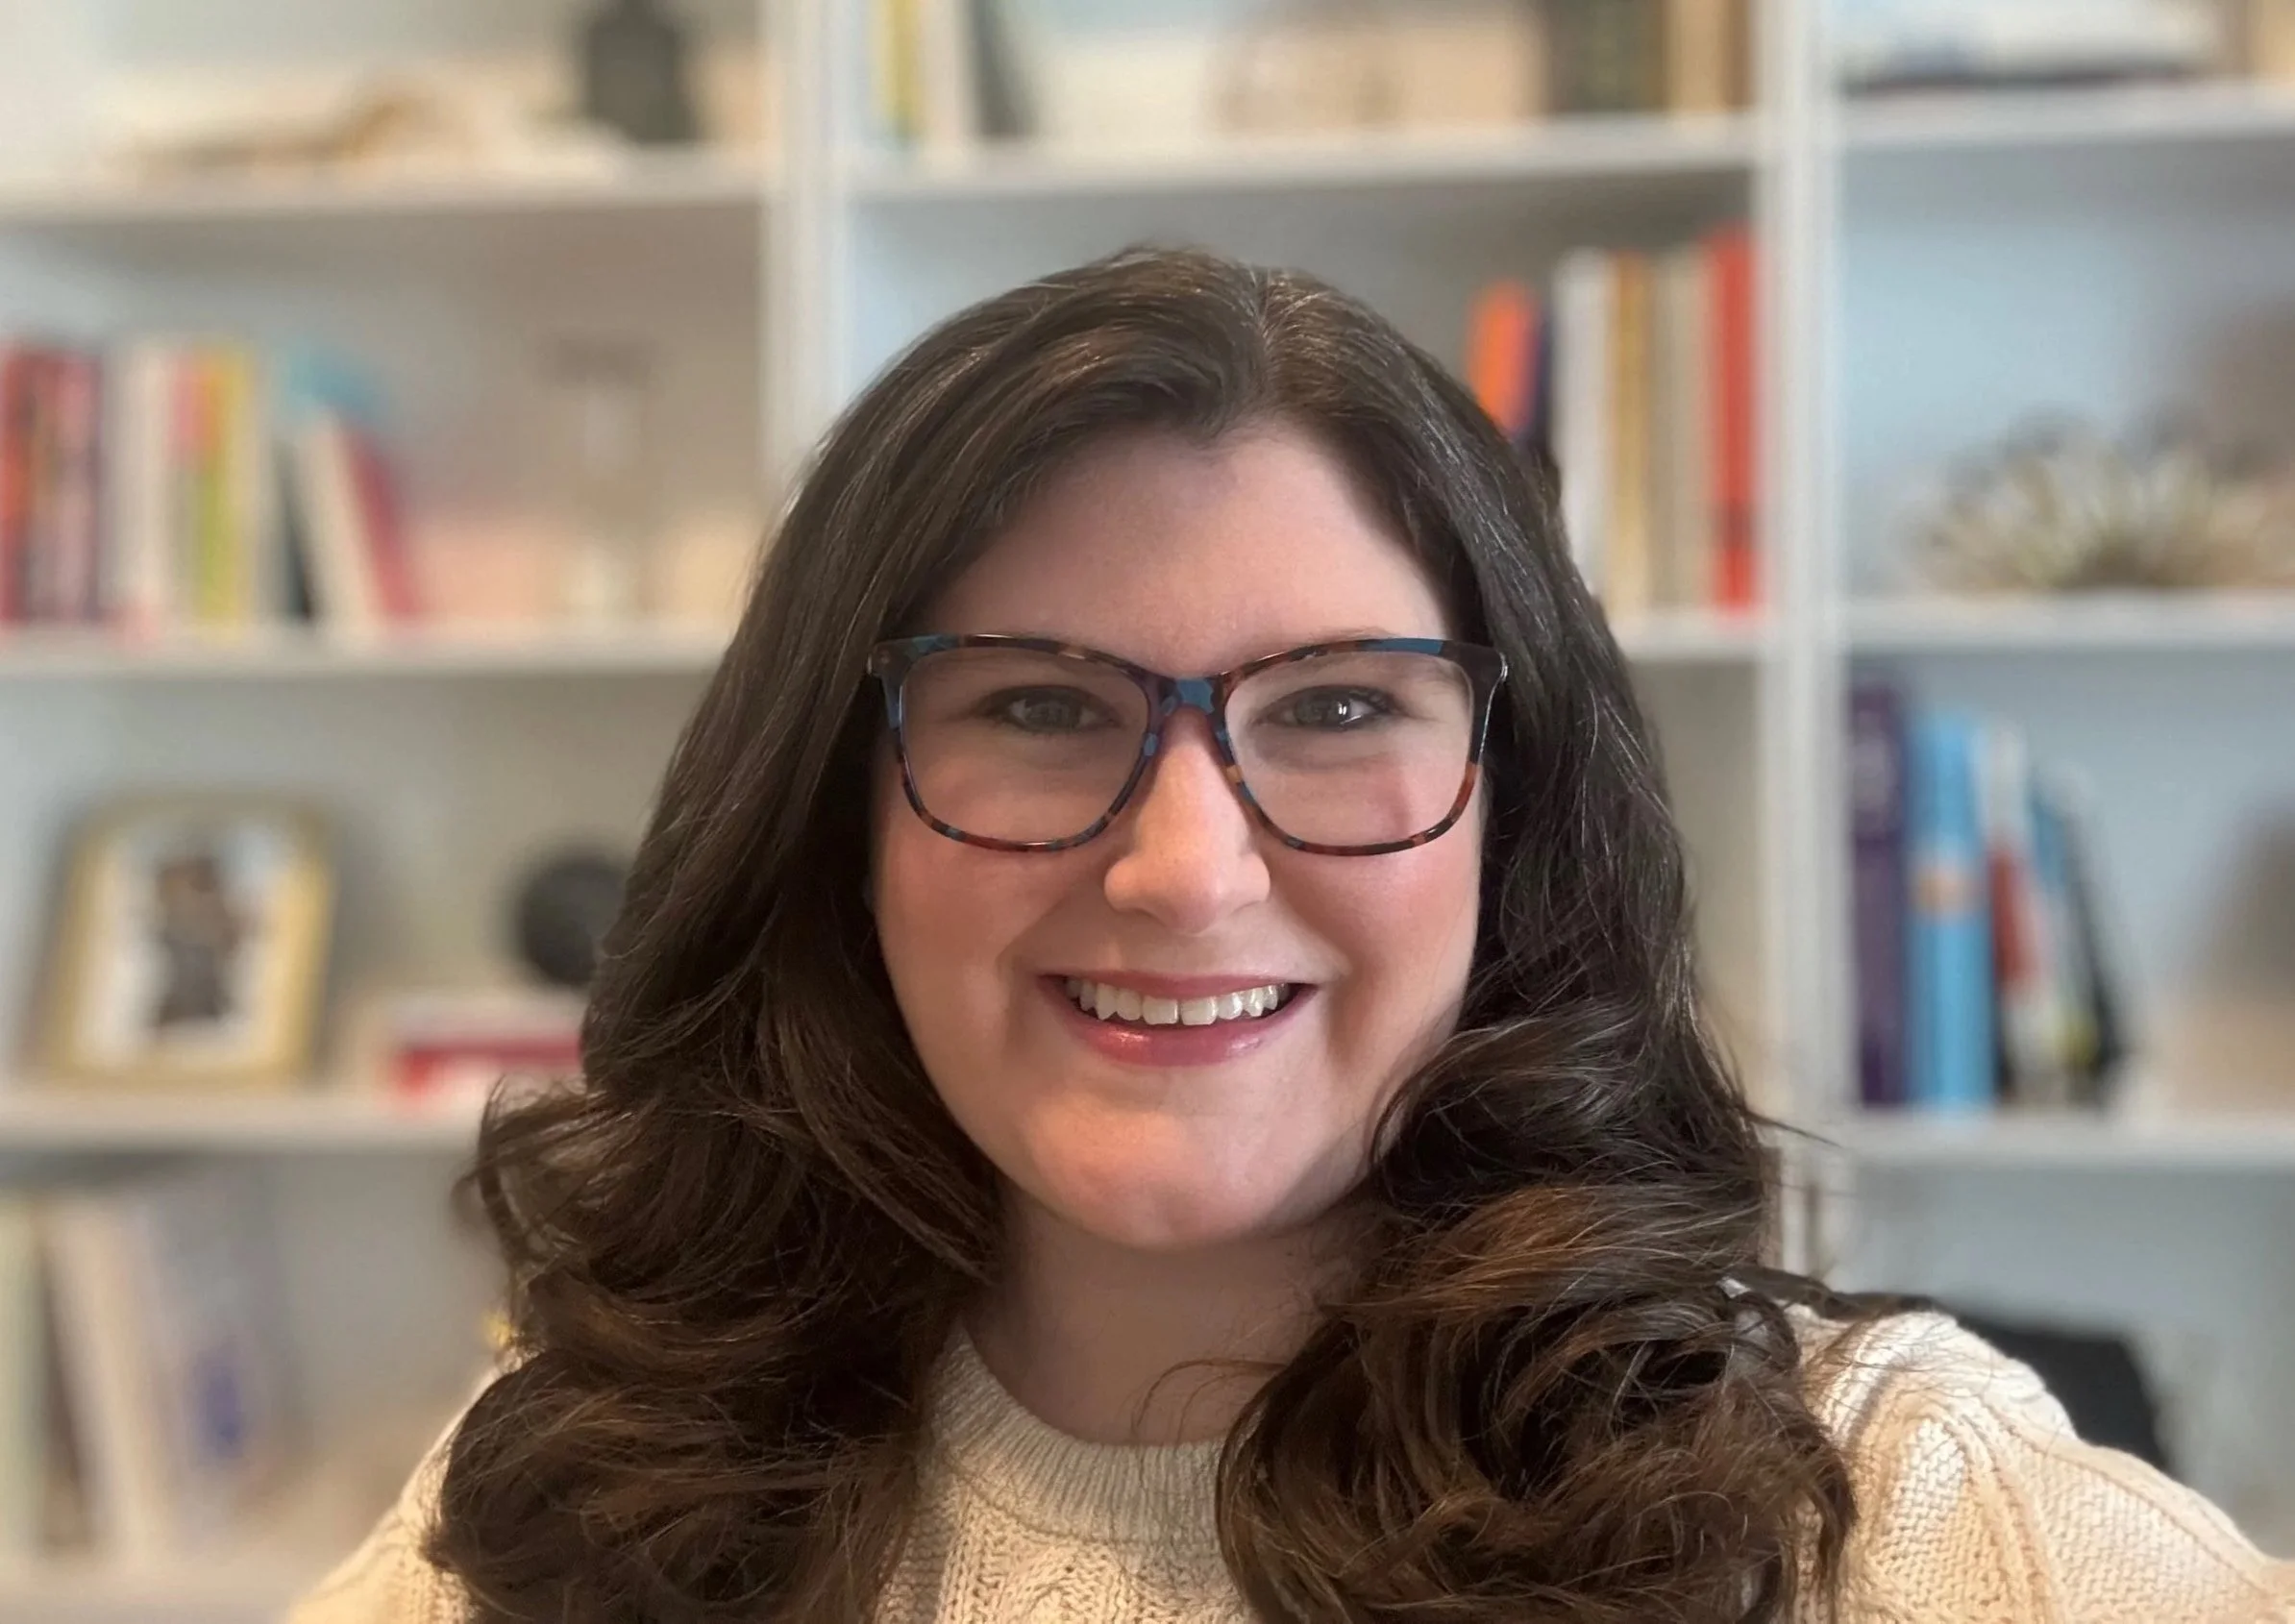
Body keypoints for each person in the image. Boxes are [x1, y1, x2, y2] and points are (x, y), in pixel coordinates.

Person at [290, 248, 2294, 1624]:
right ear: (839, 815)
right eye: (1040, 702)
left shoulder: (1883, 1512)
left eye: (1338, 709)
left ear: (1512, 816)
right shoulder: (583, 1495)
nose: (1184, 868)